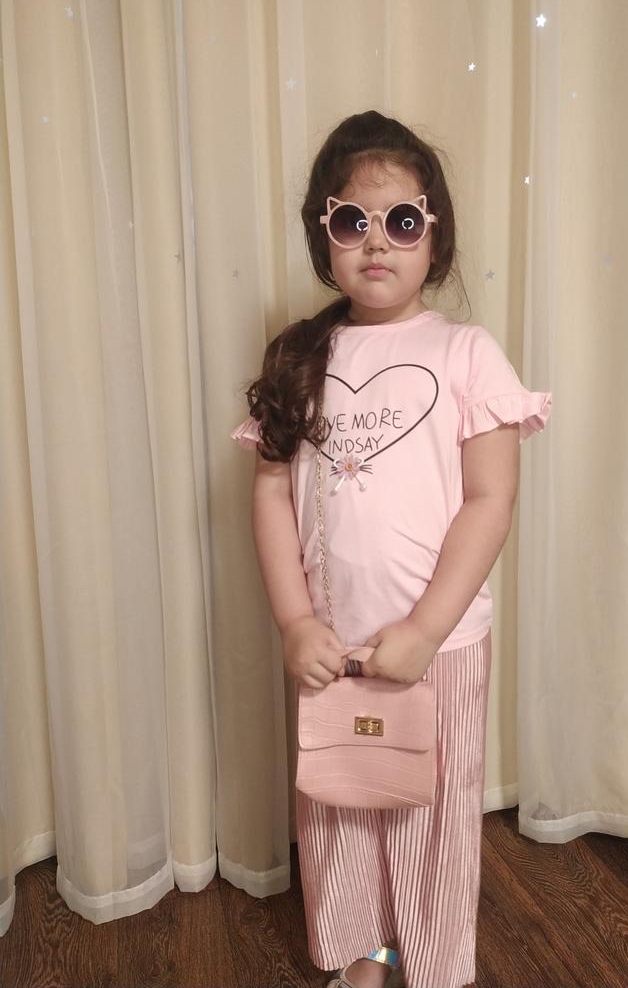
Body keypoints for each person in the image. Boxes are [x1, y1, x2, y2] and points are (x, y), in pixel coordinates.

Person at [230, 110, 552, 988]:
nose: (377, 241)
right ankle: (366, 955)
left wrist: (424, 628)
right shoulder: (300, 357)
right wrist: (295, 622)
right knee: (338, 807)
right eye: (352, 221)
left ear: (433, 237)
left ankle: (434, 964)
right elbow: (269, 495)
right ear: (323, 235)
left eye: (402, 220)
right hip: (332, 647)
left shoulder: (466, 353)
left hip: (437, 647)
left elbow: (490, 501)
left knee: (430, 817)